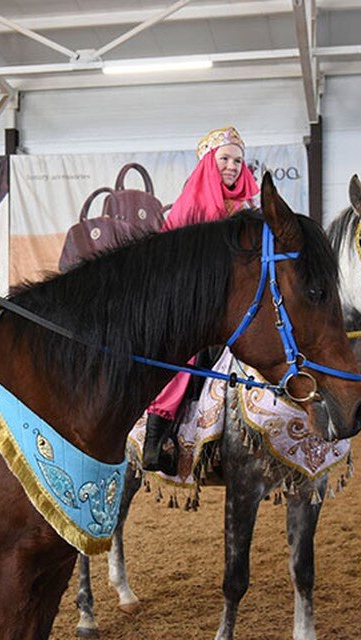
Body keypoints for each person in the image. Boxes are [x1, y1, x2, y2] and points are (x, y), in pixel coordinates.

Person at [142, 126, 260, 474]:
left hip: (236, 300)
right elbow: (171, 261)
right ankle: (156, 437)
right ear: (210, 161)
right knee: (184, 351)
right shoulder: (188, 205)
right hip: (190, 299)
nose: (232, 166)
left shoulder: (248, 206)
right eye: (225, 158)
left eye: (238, 160)